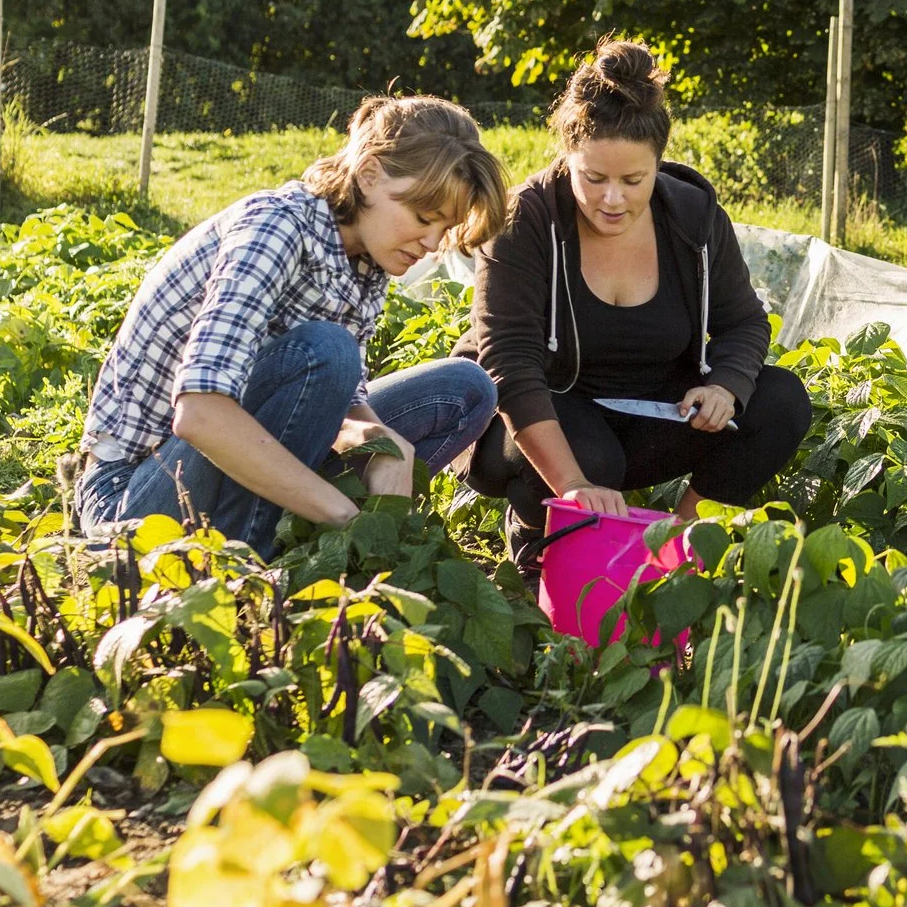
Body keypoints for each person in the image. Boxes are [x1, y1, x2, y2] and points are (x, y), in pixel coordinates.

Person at [75, 95, 509, 556]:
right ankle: (258, 557)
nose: (431, 243)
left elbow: (342, 394)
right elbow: (199, 414)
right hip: (137, 497)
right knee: (326, 350)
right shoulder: (276, 228)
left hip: (238, 459)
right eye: (423, 218)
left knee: (467, 388)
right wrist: (342, 514)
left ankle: (297, 539)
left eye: (445, 227)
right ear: (369, 174)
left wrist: (378, 440)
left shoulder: (368, 257)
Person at [458, 39, 814, 563]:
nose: (613, 199)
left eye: (634, 180)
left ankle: (673, 546)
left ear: (658, 163)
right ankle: (537, 530)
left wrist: (725, 385)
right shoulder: (525, 221)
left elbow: (743, 322)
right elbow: (509, 365)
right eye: (594, 178)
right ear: (567, 157)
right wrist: (574, 483)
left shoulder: (693, 217)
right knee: (594, 464)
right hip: (536, 412)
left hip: (647, 409)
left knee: (780, 401)